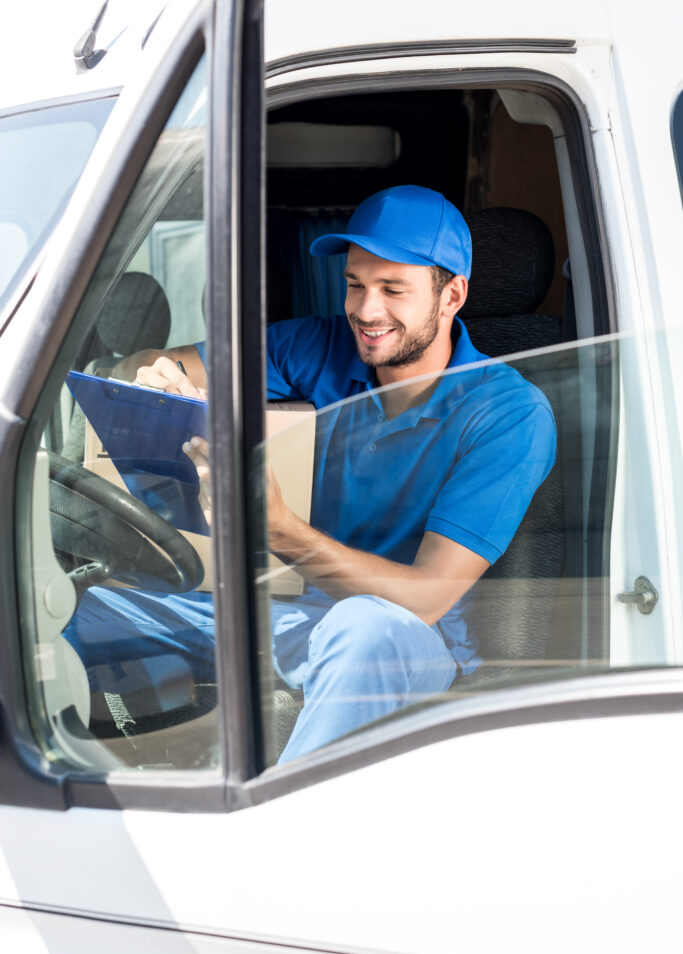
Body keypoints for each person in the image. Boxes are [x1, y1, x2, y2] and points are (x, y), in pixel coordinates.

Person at [67, 185, 556, 764]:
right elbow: (154, 365)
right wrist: (154, 382)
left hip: (402, 635)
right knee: (63, 596)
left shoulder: (509, 413)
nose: (366, 311)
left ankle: (284, 840)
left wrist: (278, 530)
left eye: (393, 289)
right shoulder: (316, 344)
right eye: (355, 284)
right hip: (279, 603)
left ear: (452, 295)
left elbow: (424, 600)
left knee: (362, 628)